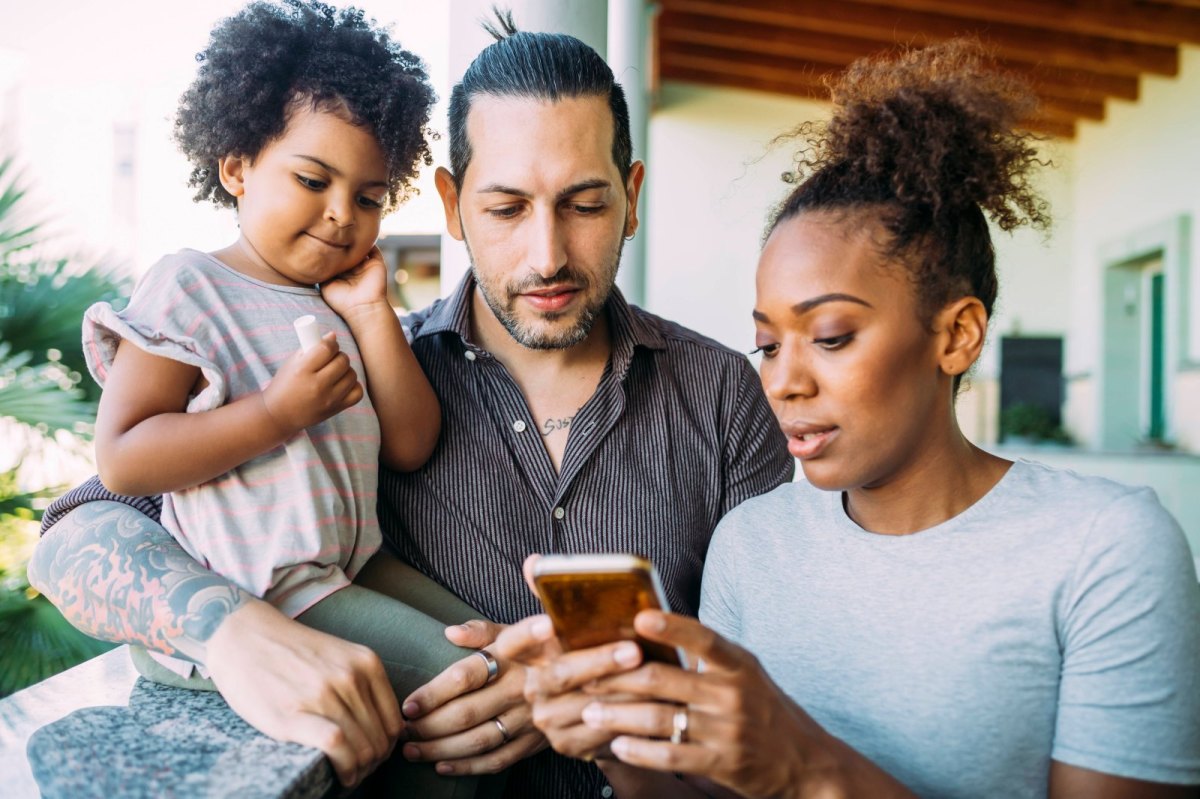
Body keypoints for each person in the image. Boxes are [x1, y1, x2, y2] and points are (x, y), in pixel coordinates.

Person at [29, 10, 793, 798]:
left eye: (586, 205)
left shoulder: (725, 394)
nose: (548, 255)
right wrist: (229, 630)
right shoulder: (351, 364)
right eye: (504, 209)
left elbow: (784, 681)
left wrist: (590, 701)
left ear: (631, 197)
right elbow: (73, 534)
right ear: (451, 204)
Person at [494, 41, 1200, 798]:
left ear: (956, 335)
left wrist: (804, 765)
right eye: (766, 343)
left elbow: (783, 769)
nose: (784, 382)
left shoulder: (1104, 549)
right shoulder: (752, 544)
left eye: (830, 336)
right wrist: (619, 740)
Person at [64, 2, 497, 795]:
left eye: (368, 197)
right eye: (312, 179)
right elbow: (124, 458)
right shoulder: (192, 286)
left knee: (493, 648)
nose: (342, 214)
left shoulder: (343, 304)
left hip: (350, 568)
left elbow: (410, 442)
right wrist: (274, 413)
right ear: (236, 167)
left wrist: (370, 309)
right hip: (263, 591)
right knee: (463, 681)